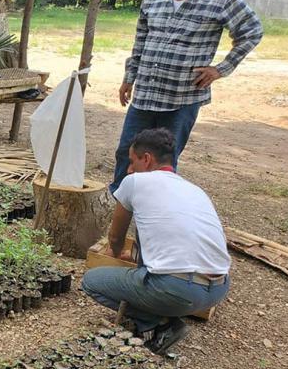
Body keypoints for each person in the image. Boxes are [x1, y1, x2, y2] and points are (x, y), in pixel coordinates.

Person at [110, 0, 263, 193]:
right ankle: (119, 208)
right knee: (127, 153)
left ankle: (155, 214)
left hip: (181, 100)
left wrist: (221, 69)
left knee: (163, 164)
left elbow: (252, 31)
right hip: (146, 94)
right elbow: (140, 42)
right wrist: (129, 77)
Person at [82, 128, 230, 355]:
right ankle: (165, 307)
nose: (130, 169)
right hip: (218, 289)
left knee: (92, 281)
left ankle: (160, 323)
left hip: (177, 291)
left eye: (132, 162)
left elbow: (115, 236)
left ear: (147, 159)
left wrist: (115, 253)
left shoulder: (135, 181)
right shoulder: (194, 190)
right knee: (157, 278)